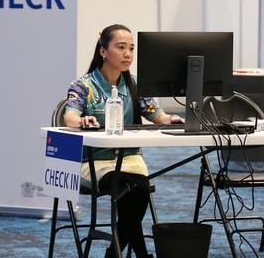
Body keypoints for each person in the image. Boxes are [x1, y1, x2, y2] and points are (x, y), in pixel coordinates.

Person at [64, 24, 183, 258]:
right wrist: (81, 120)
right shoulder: (83, 85)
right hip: (94, 163)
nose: (128, 54)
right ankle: (141, 255)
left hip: (130, 159)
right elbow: (69, 116)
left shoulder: (135, 84)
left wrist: (171, 119)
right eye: (121, 47)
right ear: (103, 52)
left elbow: (157, 115)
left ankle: (113, 254)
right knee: (133, 190)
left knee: (138, 189)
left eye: (131, 48)